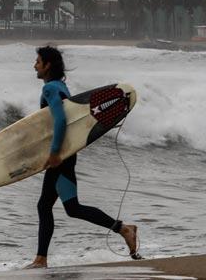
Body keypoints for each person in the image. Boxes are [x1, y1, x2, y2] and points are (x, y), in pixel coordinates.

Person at [26, 45, 140, 269]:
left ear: (47, 65)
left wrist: (55, 152)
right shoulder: (62, 87)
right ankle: (124, 229)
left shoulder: (50, 89)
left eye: (38, 61)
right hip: (69, 154)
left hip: (61, 155)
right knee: (72, 208)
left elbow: (60, 121)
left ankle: (41, 260)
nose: (34, 65)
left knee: (45, 206)